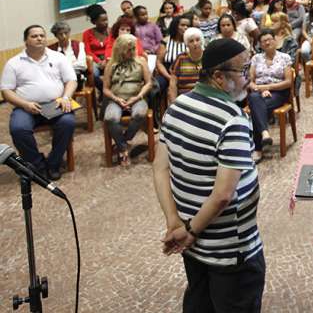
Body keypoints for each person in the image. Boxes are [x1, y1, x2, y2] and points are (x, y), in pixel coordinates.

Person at [153, 38, 265, 312]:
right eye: (243, 70)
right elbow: (223, 195)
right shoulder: (232, 120)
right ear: (218, 76)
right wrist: (189, 232)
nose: (248, 78)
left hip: (194, 245)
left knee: (200, 302)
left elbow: (159, 168)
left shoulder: (177, 106)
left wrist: (174, 222)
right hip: (230, 250)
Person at [2, 25, 77, 180]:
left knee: (68, 122)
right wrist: (24, 104)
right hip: (26, 107)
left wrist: (65, 97)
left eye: (42, 35)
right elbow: (6, 91)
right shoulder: (14, 63)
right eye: (34, 36)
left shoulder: (58, 57)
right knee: (18, 128)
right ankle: (38, 165)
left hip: (55, 104)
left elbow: (71, 80)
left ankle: (54, 163)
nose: (39, 38)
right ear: (25, 41)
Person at [102, 33, 152, 167]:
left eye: (133, 48)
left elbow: (148, 83)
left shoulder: (141, 61)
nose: (132, 52)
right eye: (128, 49)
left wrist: (138, 97)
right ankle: (124, 148)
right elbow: (105, 88)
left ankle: (124, 140)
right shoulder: (111, 64)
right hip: (116, 99)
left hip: (137, 97)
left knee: (139, 114)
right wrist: (116, 99)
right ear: (120, 50)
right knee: (110, 118)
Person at [248, 29, 293, 162]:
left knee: (256, 107)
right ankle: (264, 133)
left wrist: (267, 87)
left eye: (269, 39)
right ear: (260, 44)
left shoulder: (284, 57)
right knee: (255, 99)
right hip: (259, 93)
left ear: (275, 40)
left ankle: (258, 148)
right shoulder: (256, 58)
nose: (267, 42)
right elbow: (250, 81)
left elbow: (288, 82)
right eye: (263, 41)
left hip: (279, 92)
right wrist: (260, 90)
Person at [155, 14, 191, 99]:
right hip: (167, 73)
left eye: (188, 26)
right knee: (156, 86)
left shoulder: (191, 41)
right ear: (175, 26)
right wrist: (169, 77)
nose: (185, 27)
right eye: (182, 25)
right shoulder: (166, 41)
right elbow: (159, 62)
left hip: (187, 73)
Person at [169, 28, 204, 103]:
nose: (195, 43)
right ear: (187, 44)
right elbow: (173, 83)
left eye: (197, 40)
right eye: (191, 41)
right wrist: (173, 104)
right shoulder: (181, 58)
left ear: (202, 41)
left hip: (204, 98)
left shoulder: (208, 56)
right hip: (184, 98)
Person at [83, 4, 110, 91]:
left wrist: (106, 60)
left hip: (109, 58)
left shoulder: (112, 31)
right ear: (94, 22)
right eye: (102, 20)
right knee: (93, 73)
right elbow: (87, 51)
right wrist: (99, 62)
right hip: (94, 60)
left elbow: (113, 48)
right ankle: (105, 91)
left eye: (106, 19)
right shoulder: (87, 33)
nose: (106, 22)